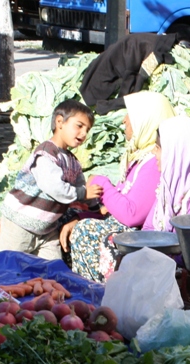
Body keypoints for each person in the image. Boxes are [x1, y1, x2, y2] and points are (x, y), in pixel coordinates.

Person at [61, 91, 175, 282]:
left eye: (130, 114)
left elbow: (132, 215)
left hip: (140, 238)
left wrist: (101, 183)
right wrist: (79, 217)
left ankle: (96, 296)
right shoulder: (139, 157)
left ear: (144, 120)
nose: (124, 120)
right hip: (119, 225)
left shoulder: (154, 164)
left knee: (85, 230)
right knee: (68, 217)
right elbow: (114, 205)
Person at [0, 99, 103, 260]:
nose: (84, 134)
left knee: (52, 269)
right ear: (60, 122)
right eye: (79, 126)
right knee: (6, 267)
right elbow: (56, 189)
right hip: (20, 225)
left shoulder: (73, 161)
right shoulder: (46, 153)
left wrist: (97, 208)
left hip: (47, 229)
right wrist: (84, 193)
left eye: (87, 129)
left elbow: (83, 190)